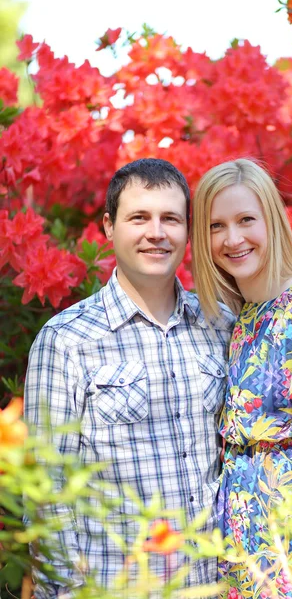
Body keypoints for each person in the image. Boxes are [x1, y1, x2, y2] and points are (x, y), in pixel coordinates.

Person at [24, 158, 235, 598]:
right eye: (139, 217)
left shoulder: (221, 325)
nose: (156, 232)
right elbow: (46, 494)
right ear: (109, 226)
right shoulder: (67, 341)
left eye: (170, 219)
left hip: (215, 587)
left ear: (187, 231)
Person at [191, 158, 292, 598]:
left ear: (273, 221)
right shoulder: (243, 318)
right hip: (242, 554)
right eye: (215, 226)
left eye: (246, 220)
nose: (232, 238)